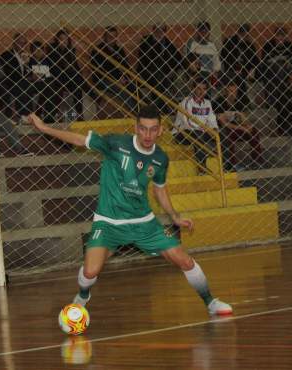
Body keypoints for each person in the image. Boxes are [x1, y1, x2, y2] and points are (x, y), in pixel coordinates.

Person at [25, 106, 233, 316]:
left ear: (161, 130)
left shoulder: (161, 158)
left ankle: (210, 302)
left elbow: (160, 189)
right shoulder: (116, 144)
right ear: (135, 128)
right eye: (143, 129)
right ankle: (83, 295)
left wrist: (175, 217)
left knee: (185, 260)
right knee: (90, 271)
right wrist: (44, 128)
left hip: (144, 223)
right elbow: (79, 140)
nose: (148, 135)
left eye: (153, 130)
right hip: (108, 222)